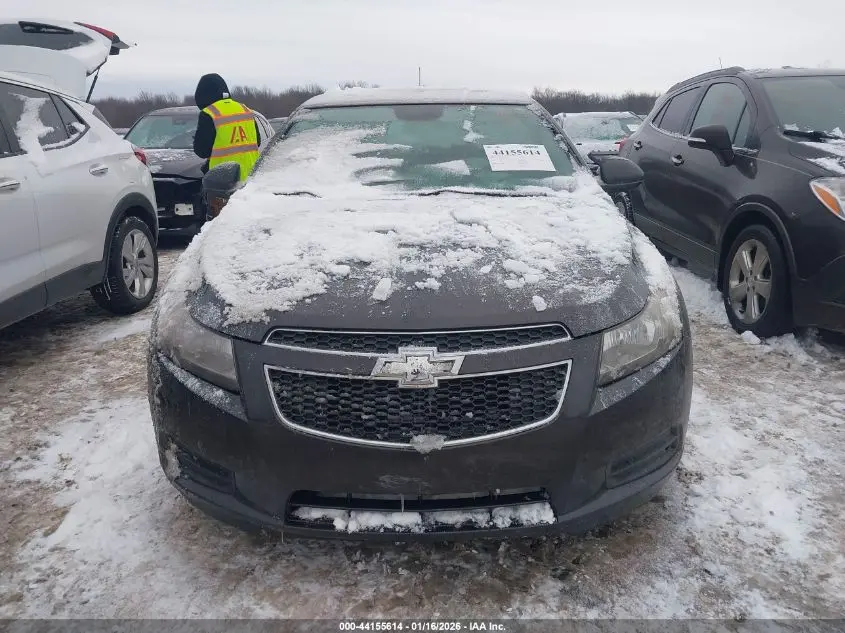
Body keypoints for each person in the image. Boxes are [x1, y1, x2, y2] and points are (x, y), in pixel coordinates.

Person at [192, 73, 261, 182]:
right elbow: (257, 142)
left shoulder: (209, 113)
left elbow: (202, 151)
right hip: (251, 178)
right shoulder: (245, 110)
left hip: (222, 181)